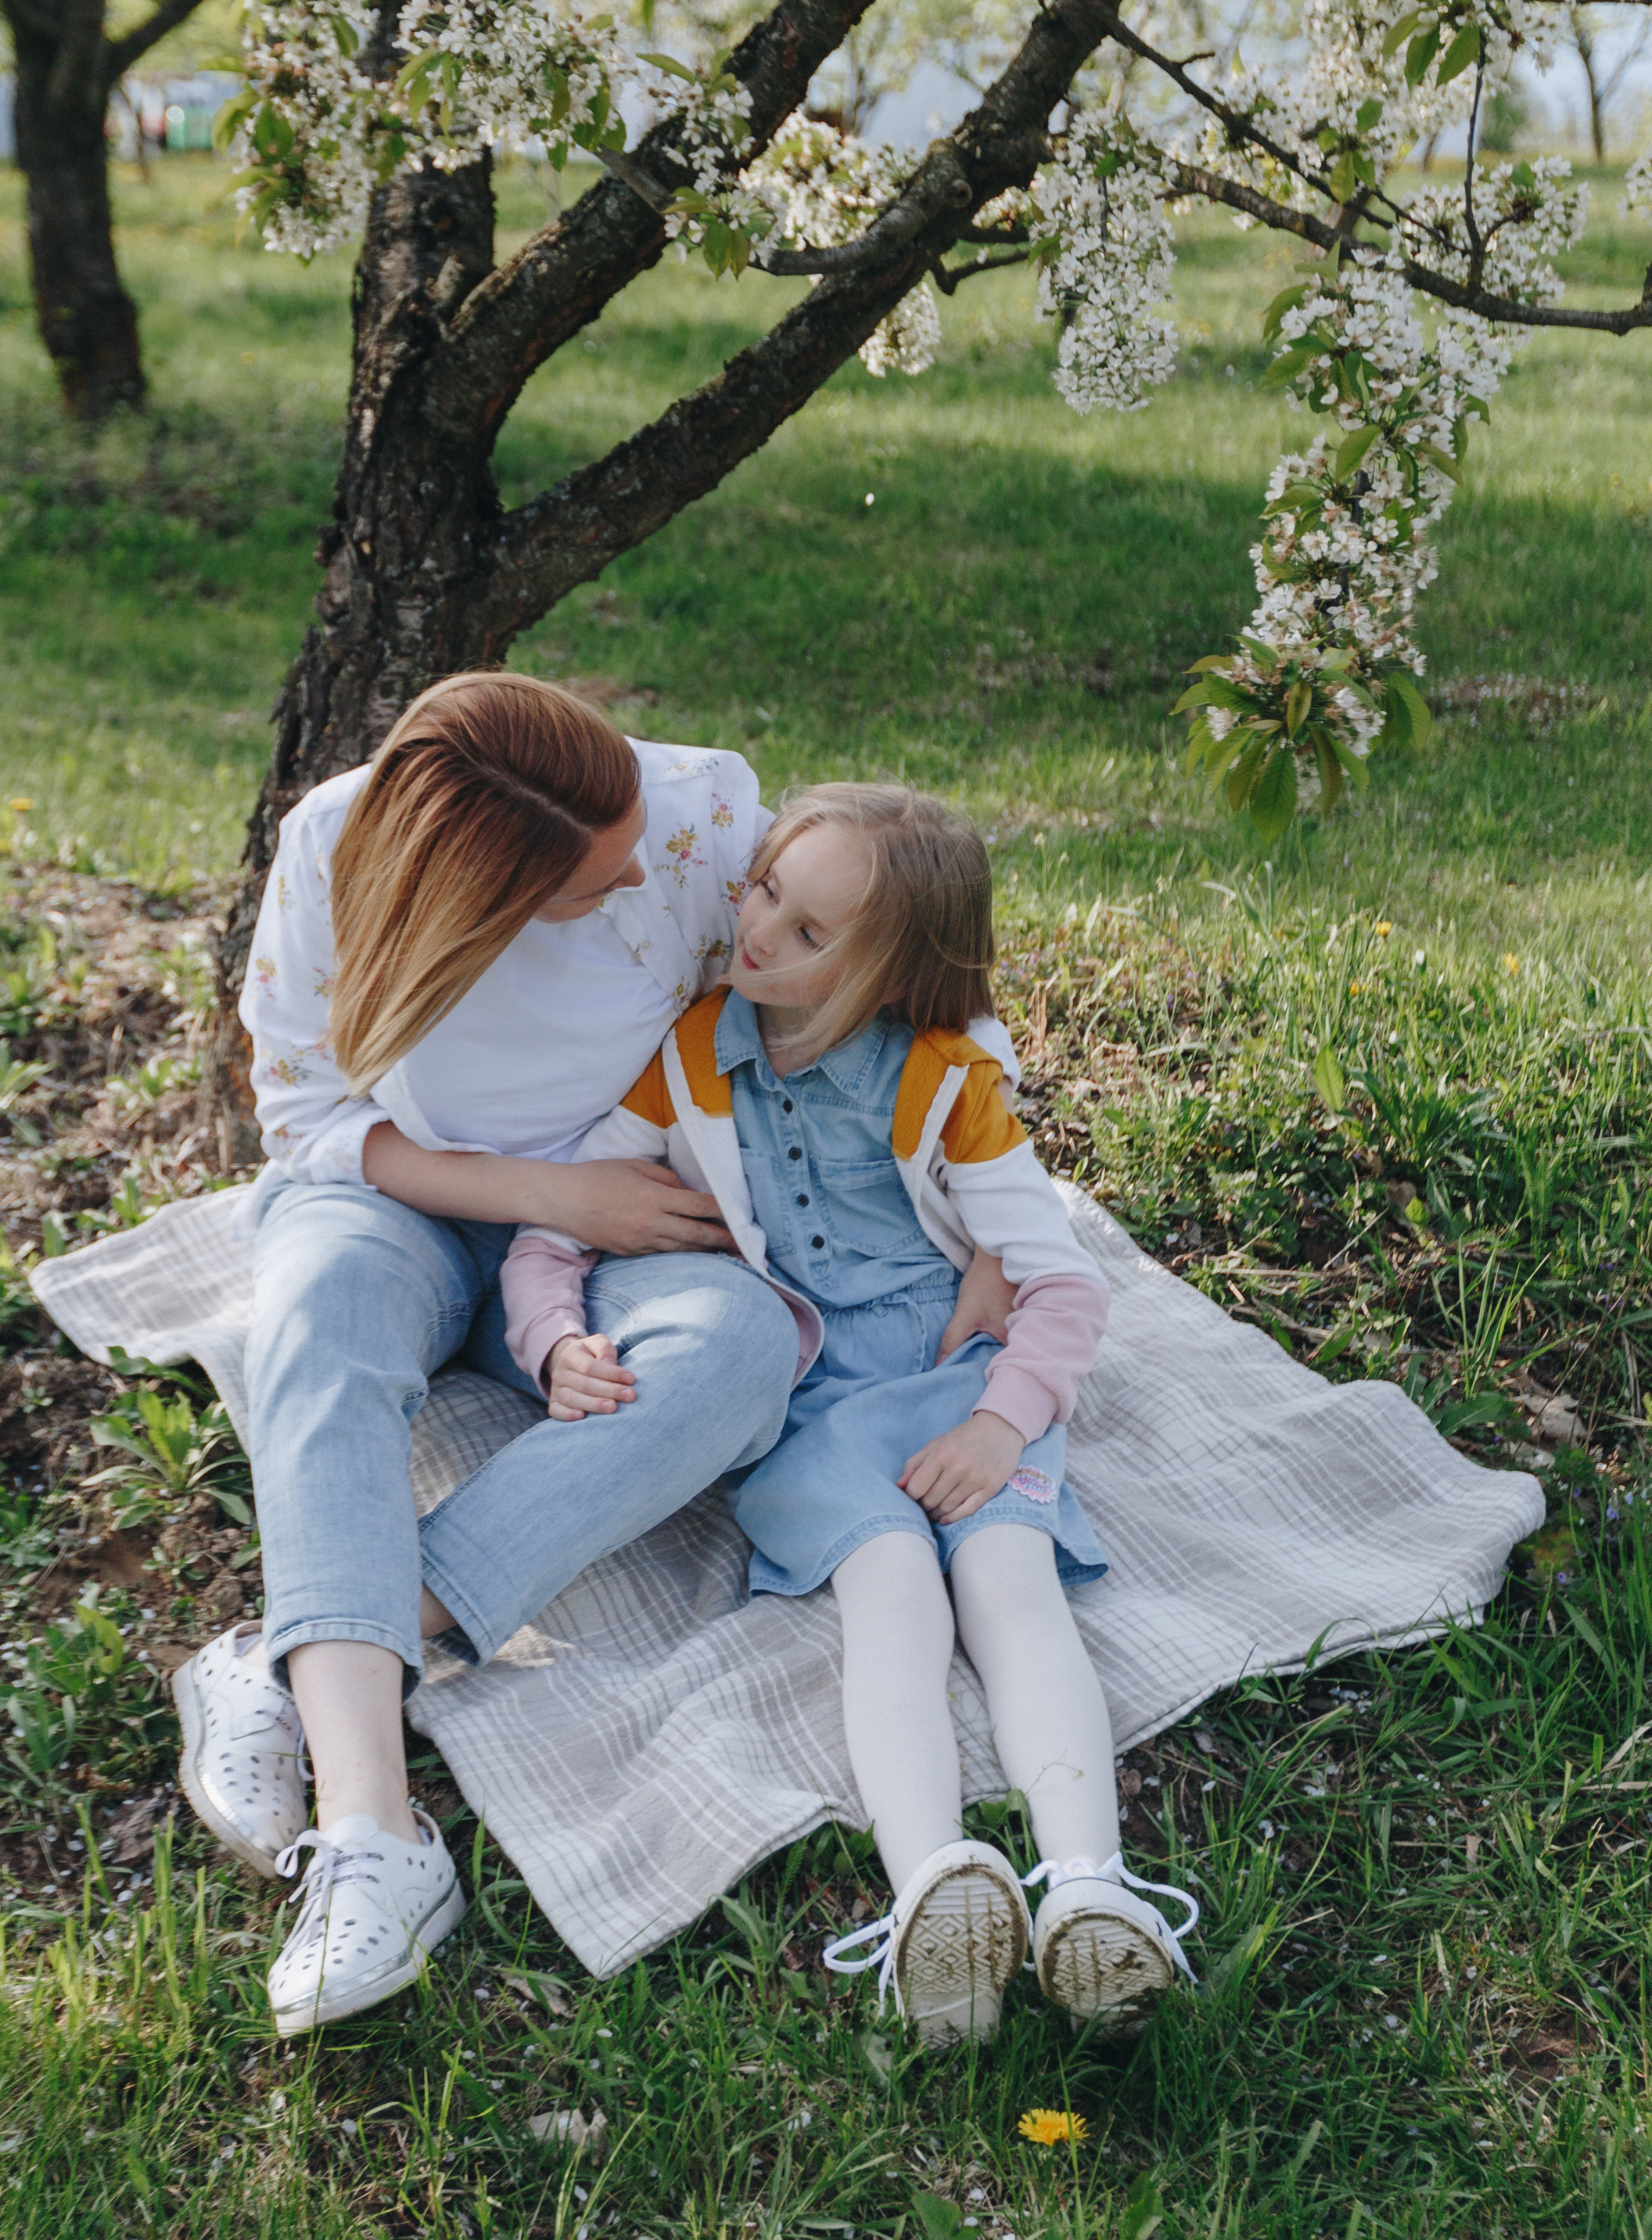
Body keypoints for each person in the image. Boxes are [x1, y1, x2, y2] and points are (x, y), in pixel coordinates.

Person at [498, 782, 1199, 2044]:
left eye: (811, 932)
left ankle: (1093, 1893)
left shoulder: (944, 1080)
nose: (759, 932)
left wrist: (1003, 1421)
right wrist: (554, 1339)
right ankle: (937, 1889)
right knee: (892, 1596)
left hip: (958, 1378)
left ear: (889, 972)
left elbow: (1060, 1276)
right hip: (808, 1402)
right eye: (764, 889)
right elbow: (560, 1220)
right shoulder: (688, 1061)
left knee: (1009, 1580)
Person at [172, 673, 810, 2036]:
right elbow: (303, 1113)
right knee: (317, 1316)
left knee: (747, 1345)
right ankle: (374, 1840)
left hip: (623, 1226)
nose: (639, 870)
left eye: (632, 829)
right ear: (478, 898)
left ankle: (303, 1655)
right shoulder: (339, 848)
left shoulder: (706, 818)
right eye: (593, 880)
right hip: (397, 1200)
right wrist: (540, 1200)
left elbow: (831, 1007)